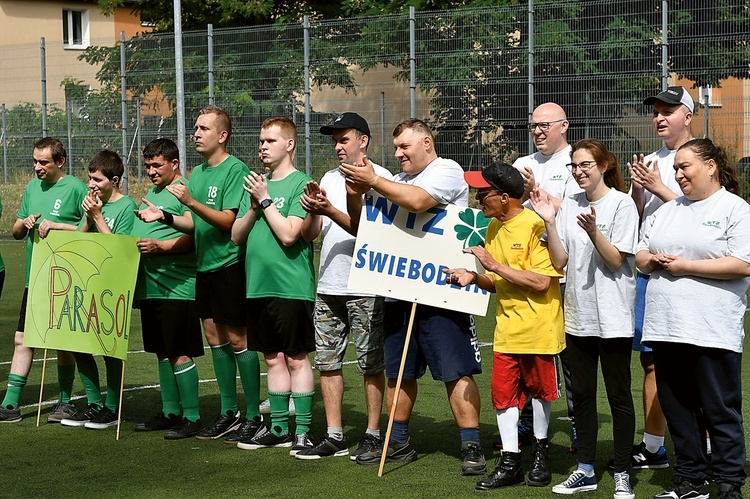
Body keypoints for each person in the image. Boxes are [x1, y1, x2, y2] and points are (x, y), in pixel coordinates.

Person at [340, 118, 486, 476]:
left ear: (426, 142)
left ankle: (471, 445)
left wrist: (374, 180)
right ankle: (399, 441)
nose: (397, 153)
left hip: (444, 291)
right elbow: (363, 227)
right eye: (395, 147)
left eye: (404, 146)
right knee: (399, 371)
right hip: (399, 289)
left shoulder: (447, 170)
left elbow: (420, 202)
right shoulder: (397, 181)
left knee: (456, 370)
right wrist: (354, 191)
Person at [635, 138, 749, 499]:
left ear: (711, 166)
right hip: (667, 326)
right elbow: (640, 252)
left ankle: (730, 483)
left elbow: (743, 263)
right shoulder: (667, 211)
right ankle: (690, 480)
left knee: (719, 409)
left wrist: (686, 266)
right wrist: (650, 261)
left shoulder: (735, 208)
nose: (679, 174)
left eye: (686, 167)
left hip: (712, 329)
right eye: (676, 169)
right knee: (678, 408)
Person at [530, 139, 638, 498]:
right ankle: (586, 469)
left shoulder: (622, 204)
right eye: (574, 165)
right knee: (583, 397)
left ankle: (622, 470)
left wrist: (594, 232)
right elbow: (559, 261)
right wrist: (550, 221)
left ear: (604, 165)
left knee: (619, 396)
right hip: (577, 316)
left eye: (585, 165)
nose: (578, 171)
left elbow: (615, 261)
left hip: (614, 317)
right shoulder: (568, 204)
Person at [445, 163, 563, 489]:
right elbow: (498, 281)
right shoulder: (495, 227)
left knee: (540, 393)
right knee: (503, 396)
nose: (478, 197)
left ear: (506, 197)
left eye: (484, 192)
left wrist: (493, 265)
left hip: (539, 329)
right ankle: (510, 461)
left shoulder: (535, 225)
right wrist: (474, 278)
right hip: (507, 330)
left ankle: (541, 453)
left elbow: (541, 282)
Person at [151, 106, 257, 441]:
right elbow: (193, 224)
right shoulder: (196, 174)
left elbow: (228, 221)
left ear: (222, 136)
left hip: (228, 264)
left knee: (239, 339)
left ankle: (253, 414)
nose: (196, 133)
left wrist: (191, 203)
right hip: (204, 267)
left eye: (204, 128)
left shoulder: (234, 169)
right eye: (195, 128)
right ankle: (229, 412)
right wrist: (165, 217)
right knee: (215, 339)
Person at [295, 113, 393, 460]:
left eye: (344, 139)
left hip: (366, 284)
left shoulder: (382, 177)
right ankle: (335, 433)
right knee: (327, 361)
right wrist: (311, 210)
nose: (337, 146)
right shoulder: (327, 177)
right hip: (329, 284)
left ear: (363, 140)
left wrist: (330, 208)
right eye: (335, 141)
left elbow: (370, 231)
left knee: (370, 362)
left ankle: (372, 432)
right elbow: (309, 235)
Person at [230, 116, 316, 456]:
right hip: (257, 286)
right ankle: (279, 428)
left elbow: (290, 233)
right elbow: (237, 235)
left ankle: (304, 433)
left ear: (289, 145)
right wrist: (253, 207)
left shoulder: (301, 183)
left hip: (291, 286)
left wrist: (265, 201)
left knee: (296, 358)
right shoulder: (254, 184)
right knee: (272, 359)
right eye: (261, 141)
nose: (262, 146)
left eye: (270, 141)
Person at [626, 86, 695, 468]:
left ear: (688, 115)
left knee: (696, 365)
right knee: (651, 363)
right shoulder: (649, 160)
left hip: (691, 274)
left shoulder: (704, 157)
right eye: (655, 111)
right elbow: (637, 219)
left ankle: (708, 450)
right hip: (649, 274)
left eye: (668, 110)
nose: (659, 117)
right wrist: (638, 192)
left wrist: (660, 188)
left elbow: (702, 212)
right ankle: (653, 448)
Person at [0, 137, 88, 423]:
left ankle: (65, 401)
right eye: (35, 161)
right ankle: (10, 404)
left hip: (66, 276)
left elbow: (90, 227)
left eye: (43, 162)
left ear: (59, 162)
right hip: (34, 276)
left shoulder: (75, 187)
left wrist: (59, 226)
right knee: (23, 338)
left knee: (63, 340)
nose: (37, 167)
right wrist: (23, 225)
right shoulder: (31, 187)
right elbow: (15, 230)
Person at [513, 102, 581, 450]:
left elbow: (574, 211)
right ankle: (527, 426)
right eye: (533, 126)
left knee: (568, 357)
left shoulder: (576, 163)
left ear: (563, 126)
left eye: (545, 125)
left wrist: (534, 191)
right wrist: (520, 193)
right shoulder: (522, 164)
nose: (538, 131)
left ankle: (577, 428)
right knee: (526, 353)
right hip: (523, 274)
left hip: (562, 274)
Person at [131, 138, 204, 439]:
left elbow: (194, 234)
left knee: (178, 352)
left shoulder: (181, 191)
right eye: (147, 165)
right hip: (152, 288)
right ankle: (170, 411)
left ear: (174, 164)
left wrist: (160, 246)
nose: (151, 171)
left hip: (177, 287)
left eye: (157, 165)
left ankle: (192, 416)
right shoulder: (153, 193)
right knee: (161, 352)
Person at [59, 150, 137, 430]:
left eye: (97, 179)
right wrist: (87, 218)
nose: (91, 184)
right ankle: (94, 403)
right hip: (87, 285)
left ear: (114, 180)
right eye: (89, 178)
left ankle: (112, 408)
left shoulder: (127, 206)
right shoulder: (91, 205)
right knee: (79, 344)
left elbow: (124, 250)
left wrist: (98, 217)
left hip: (112, 289)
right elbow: (81, 240)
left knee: (109, 348)